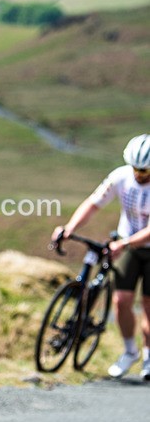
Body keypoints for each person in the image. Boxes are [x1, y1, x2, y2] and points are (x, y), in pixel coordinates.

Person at [52, 134, 150, 381]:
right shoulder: (121, 177)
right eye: (136, 169)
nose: (140, 174)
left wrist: (124, 242)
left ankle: (149, 357)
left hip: (135, 244)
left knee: (148, 306)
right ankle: (130, 351)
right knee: (121, 300)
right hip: (129, 246)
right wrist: (70, 228)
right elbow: (94, 203)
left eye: (146, 170)